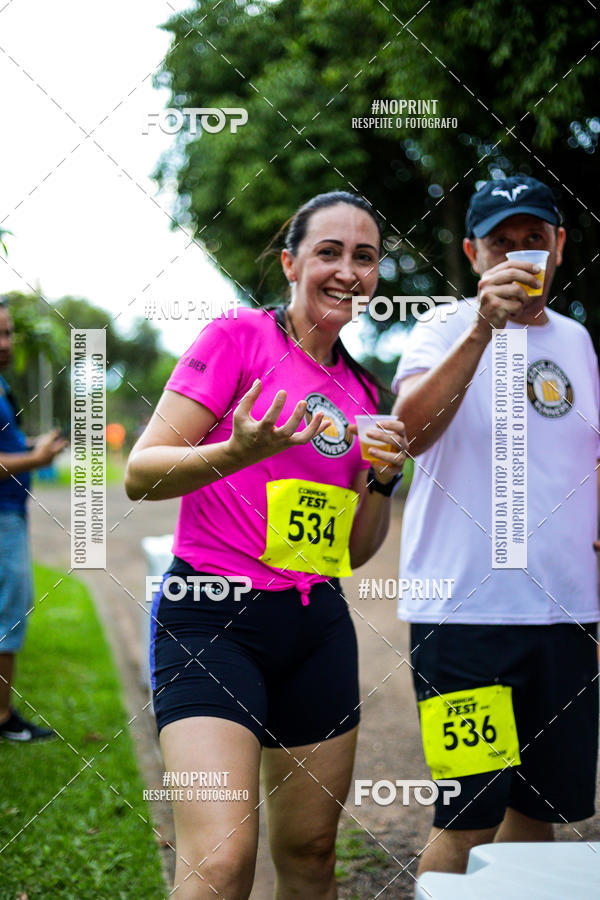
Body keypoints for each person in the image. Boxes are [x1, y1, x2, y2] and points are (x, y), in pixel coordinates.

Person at [125, 191, 408, 900]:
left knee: (310, 853)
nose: (349, 270)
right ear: (290, 262)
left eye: (365, 257)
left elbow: (353, 551)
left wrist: (382, 482)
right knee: (220, 862)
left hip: (315, 629)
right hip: (210, 620)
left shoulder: (363, 389)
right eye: (329, 252)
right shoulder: (237, 338)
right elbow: (141, 474)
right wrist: (237, 449)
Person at [391, 174, 600, 875]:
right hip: (464, 620)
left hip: (567, 617)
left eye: (533, 240)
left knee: (538, 817)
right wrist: (484, 328)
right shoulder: (439, 329)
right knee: (468, 818)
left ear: (560, 245)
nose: (518, 256)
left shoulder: (577, 341)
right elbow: (407, 436)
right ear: (472, 254)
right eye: (500, 244)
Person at [0, 297, 67, 741]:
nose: (5, 343)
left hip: (12, 515)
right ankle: (2, 718)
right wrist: (36, 457)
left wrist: (31, 447)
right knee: (8, 615)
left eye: (8, 332)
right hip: (3, 518)